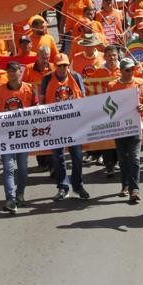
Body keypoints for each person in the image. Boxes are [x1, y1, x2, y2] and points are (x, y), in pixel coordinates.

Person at [40, 54, 89, 201]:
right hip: (55, 124)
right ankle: (63, 186)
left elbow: (84, 99)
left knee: (77, 157)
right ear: (55, 66)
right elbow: (42, 102)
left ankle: (78, 186)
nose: (62, 68)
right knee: (58, 157)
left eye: (65, 65)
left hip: (74, 124)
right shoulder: (47, 79)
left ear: (69, 65)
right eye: (59, 65)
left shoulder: (76, 76)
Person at [0, 62, 36, 212]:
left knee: (23, 168)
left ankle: (20, 194)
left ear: (20, 72)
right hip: (6, 137)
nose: (11, 74)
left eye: (14, 71)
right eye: (9, 71)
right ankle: (10, 199)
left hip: (24, 136)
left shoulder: (29, 89)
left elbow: (37, 110)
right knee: (8, 168)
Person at [107, 57, 143, 204]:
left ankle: (134, 189)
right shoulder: (112, 85)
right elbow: (107, 105)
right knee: (123, 158)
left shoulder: (140, 83)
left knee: (135, 158)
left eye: (132, 69)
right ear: (121, 71)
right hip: (120, 128)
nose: (131, 72)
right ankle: (125, 185)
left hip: (136, 126)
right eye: (127, 70)